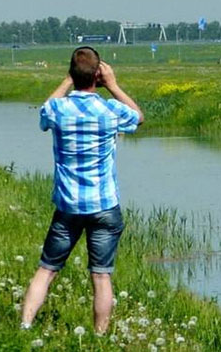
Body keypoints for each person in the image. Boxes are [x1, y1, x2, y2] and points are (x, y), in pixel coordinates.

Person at [21, 46, 144, 333]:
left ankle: (25, 326)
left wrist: (67, 81)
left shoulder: (58, 110)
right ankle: (99, 338)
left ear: (73, 75)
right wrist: (113, 86)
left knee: (47, 269)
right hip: (104, 206)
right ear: (98, 77)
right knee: (101, 277)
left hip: (68, 206)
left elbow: (44, 111)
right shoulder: (110, 110)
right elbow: (138, 117)